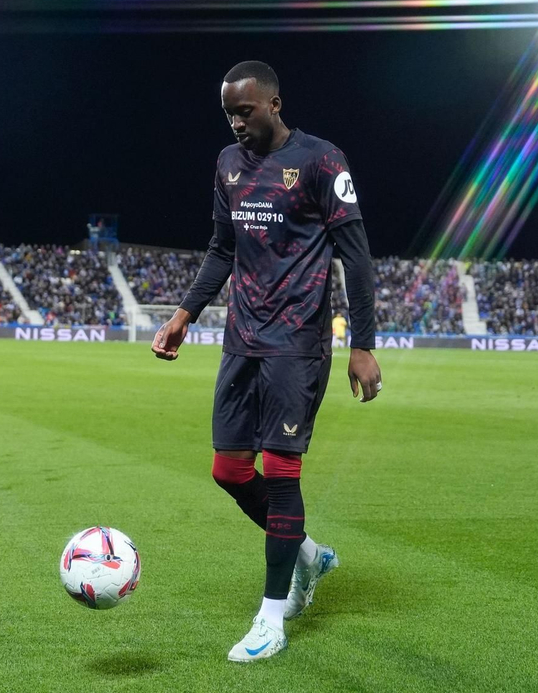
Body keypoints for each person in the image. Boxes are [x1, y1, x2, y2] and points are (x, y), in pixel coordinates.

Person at [152, 60, 382, 664]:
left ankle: (271, 618)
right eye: (228, 113)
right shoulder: (228, 164)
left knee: (281, 473)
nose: (235, 122)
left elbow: (356, 258)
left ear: (274, 105)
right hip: (241, 338)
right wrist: (184, 314)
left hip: (297, 342)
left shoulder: (321, 161)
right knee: (228, 470)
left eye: (245, 111)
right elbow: (221, 248)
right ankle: (309, 554)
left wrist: (362, 344)